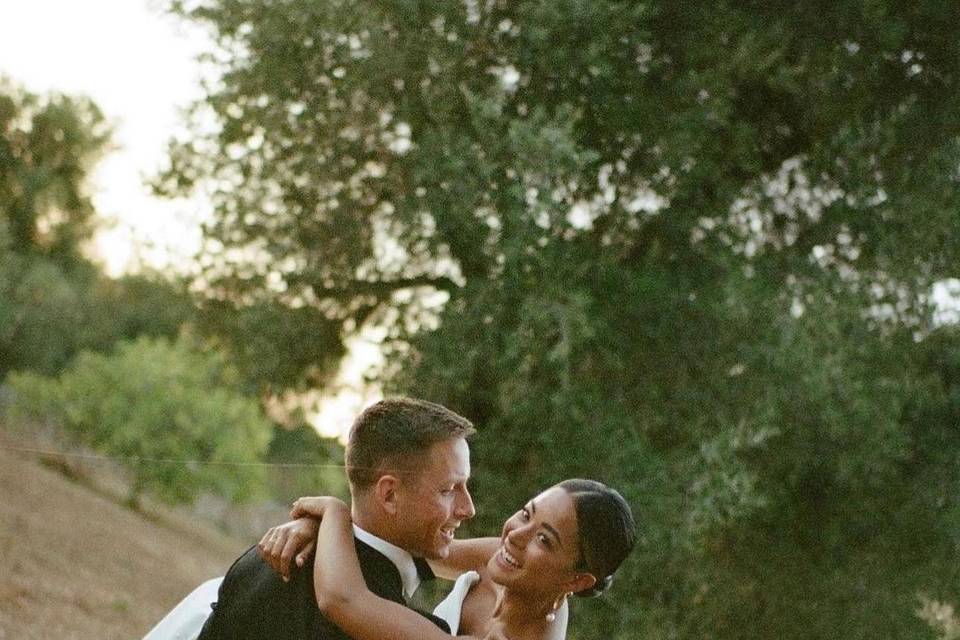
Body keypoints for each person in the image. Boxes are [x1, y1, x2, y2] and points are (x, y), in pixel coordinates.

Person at [145, 397, 478, 640]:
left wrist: (334, 517)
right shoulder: (395, 629)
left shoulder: (260, 561)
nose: (468, 508)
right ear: (389, 494)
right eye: (449, 489)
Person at [274, 478, 635, 640]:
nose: (516, 534)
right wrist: (316, 527)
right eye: (527, 514)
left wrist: (333, 511)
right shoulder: (508, 561)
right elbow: (410, 543)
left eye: (544, 539)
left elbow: (342, 600)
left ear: (577, 581)